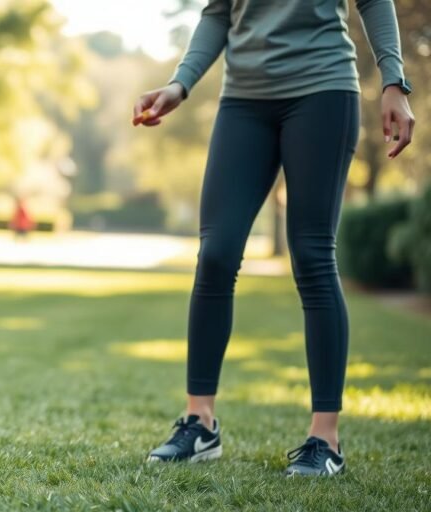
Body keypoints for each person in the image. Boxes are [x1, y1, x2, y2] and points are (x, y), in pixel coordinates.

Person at [136, 0, 414, 475]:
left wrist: (394, 80)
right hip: (243, 101)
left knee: (311, 255)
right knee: (217, 254)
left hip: (322, 90)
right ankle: (200, 423)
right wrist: (180, 83)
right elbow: (218, 13)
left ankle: (324, 438)